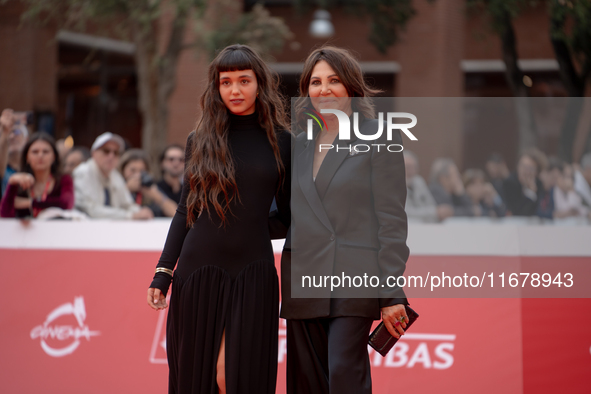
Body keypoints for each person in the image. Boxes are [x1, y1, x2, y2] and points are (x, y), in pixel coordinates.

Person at [146, 44, 291, 394]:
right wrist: (163, 272)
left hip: (253, 275)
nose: (235, 90)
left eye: (244, 80)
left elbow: (287, 216)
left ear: (260, 84)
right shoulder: (201, 140)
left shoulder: (283, 142)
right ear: (217, 87)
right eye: (226, 83)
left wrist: (250, 228)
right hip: (199, 272)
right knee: (204, 378)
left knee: (236, 377)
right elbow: (186, 210)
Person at [281, 46, 410, 394]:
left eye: (334, 80)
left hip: (355, 276)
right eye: (316, 82)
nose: (324, 90)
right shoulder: (299, 143)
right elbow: (282, 215)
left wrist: (391, 292)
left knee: (342, 372)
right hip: (303, 275)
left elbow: (392, 222)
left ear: (351, 87)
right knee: (307, 382)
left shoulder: (379, 136)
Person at [73, 132, 153, 220]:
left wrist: (140, 212)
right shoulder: (83, 173)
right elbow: (91, 210)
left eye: (116, 152)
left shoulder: (114, 175)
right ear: (94, 153)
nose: (111, 156)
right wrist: (130, 215)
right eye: (106, 151)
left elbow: (127, 204)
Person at [0, 132, 74, 218]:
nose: (40, 155)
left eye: (45, 152)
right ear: (27, 157)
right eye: (35, 152)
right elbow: (5, 214)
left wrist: (29, 203)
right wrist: (12, 184)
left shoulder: (64, 179)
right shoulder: (20, 181)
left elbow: (66, 204)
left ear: (54, 157)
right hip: (25, 231)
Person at [118, 149, 177, 217]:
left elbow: (174, 213)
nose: (137, 175)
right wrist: (126, 189)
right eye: (132, 170)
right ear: (123, 170)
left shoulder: (151, 188)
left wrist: (156, 195)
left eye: (142, 171)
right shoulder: (115, 187)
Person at [502, 148, 547, 217]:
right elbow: (518, 212)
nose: (525, 171)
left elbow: (540, 211)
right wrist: (530, 193)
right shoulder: (509, 183)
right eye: (523, 166)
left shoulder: (539, 184)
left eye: (530, 168)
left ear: (537, 172)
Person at [0, 109, 29, 197]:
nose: (12, 136)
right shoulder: (3, 168)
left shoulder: (31, 166)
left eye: (16, 132)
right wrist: (5, 133)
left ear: (26, 139)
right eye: (10, 133)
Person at [403, 150, 438, 222]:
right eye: (408, 167)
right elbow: (406, 212)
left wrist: (434, 212)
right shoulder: (393, 186)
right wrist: (433, 213)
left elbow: (432, 205)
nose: (411, 171)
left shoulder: (419, 181)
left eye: (414, 167)